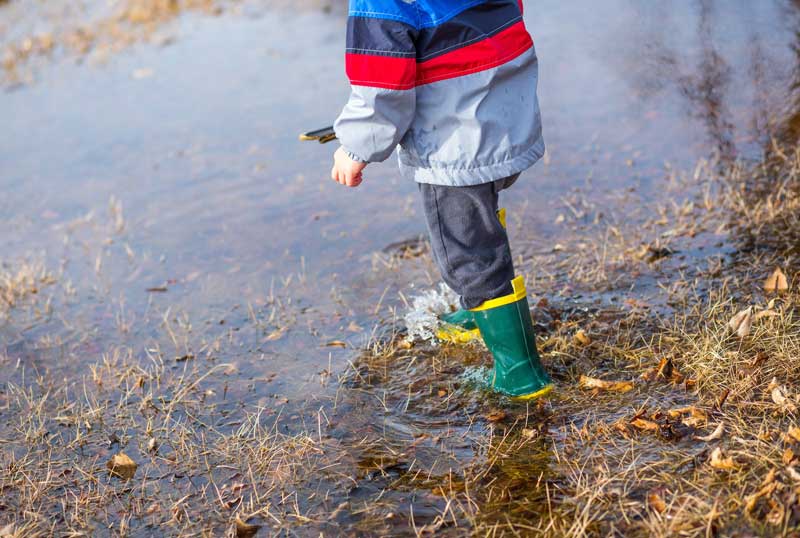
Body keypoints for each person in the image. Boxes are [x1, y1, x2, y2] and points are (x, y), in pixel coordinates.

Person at [330, 0, 552, 400]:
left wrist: (355, 146)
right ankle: (479, 310)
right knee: (480, 223)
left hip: (454, 142)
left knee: (467, 247)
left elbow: (382, 86)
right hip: (503, 111)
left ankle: (521, 374)